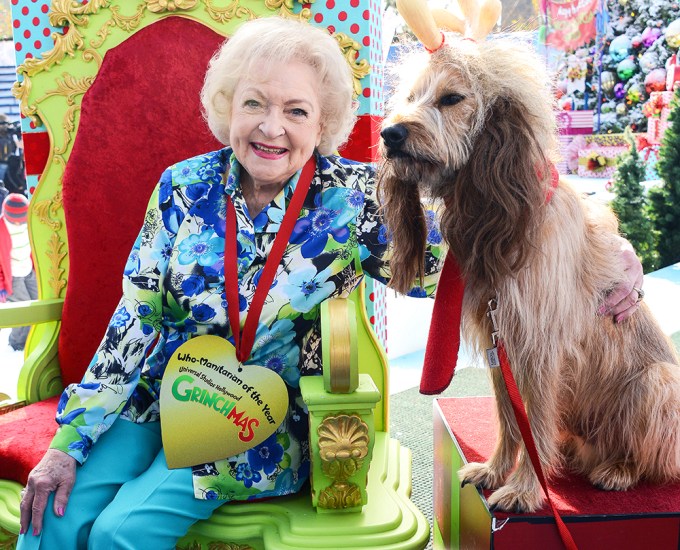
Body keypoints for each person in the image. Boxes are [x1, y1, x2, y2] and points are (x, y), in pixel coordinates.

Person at [16, 16, 645, 550]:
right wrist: (68, 443)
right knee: (52, 515)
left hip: (252, 415)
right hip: (153, 393)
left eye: (296, 111)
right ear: (227, 105)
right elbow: (136, 318)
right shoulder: (181, 187)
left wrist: (604, 249)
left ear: (324, 124)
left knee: (120, 532)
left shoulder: (351, 203)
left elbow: (472, 261)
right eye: (255, 103)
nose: (271, 127)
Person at [0, 192, 38, 351]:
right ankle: (17, 344)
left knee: (38, 303)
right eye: (14, 222)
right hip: (12, 276)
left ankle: (35, 338)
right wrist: (1, 285)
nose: (18, 225)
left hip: (28, 269)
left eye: (20, 222)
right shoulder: (2, 229)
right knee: (24, 313)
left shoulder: (29, 223)